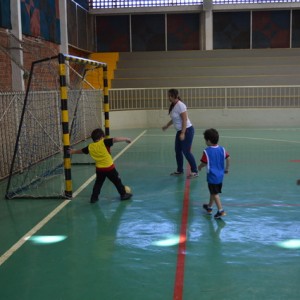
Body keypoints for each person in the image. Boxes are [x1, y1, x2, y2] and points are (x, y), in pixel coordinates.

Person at [69, 128, 132, 203]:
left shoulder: (90, 147)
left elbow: (81, 151)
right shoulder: (104, 142)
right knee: (117, 181)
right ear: (102, 137)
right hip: (109, 168)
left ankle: (94, 198)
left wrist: (73, 152)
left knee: (98, 183)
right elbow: (115, 139)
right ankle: (123, 194)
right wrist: (126, 139)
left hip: (99, 169)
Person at [162, 88, 198, 179]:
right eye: (168, 95)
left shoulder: (181, 105)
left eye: (170, 96)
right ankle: (180, 170)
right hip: (179, 131)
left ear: (175, 96)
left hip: (187, 130)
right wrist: (167, 125)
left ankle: (195, 171)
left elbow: (184, 119)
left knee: (186, 151)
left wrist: (183, 133)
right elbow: (174, 119)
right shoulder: (174, 105)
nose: (169, 97)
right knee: (178, 151)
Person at [198, 128, 230, 219]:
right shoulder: (222, 149)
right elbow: (228, 158)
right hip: (220, 176)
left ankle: (221, 210)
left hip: (212, 177)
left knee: (215, 194)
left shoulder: (207, 151)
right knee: (213, 192)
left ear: (208, 140)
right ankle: (209, 207)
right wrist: (226, 168)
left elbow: (204, 163)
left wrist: (199, 167)